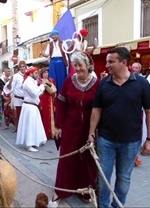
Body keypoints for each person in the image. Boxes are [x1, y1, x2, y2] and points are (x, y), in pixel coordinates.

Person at [88, 47, 150, 208]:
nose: (107, 65)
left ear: (124, 62)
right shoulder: (104, 83)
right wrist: (91, 132)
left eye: (111, 62)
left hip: (131, 141)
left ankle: (117, 205)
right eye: (107, 61)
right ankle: (103, 206)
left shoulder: (141, 83)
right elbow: (96, 109)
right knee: (103, 177)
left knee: (123, 178)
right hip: (106, 140)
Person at [50, 52, 100, 206]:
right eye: (75, 65)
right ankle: (61, 191)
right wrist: (58, 126)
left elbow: (100, 108)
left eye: (80, 65)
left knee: (87, 160)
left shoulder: (98, 84)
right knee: (66, 158)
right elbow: (61, 103)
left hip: (89, 129)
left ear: (88, 65)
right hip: (70, 127)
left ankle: (85, 190)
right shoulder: (68, 82)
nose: (77, 68)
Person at [16, 66, 47, 152]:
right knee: (30, 126)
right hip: (29, 107)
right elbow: (34, 93)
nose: (37, 75)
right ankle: (28, 145)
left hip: (33, 106)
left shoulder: (32, 81)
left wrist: (41, 87)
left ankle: (36, 141)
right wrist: (42, 85)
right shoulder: (28, 82)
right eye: (36, 73)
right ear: (30, 74)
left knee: (35, 125)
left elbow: (38, 93)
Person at [41, 30, 68, 94]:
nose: (53, 36)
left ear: (57, 35)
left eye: (55, 35)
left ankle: (62, 94)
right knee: (52, 78)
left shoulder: (63, 42)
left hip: (61, 61)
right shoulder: (50, 44)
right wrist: (43, 53)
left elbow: (67, 51)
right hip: (53, 62)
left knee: (62, 78)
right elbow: (47, 55)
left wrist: (72, 45)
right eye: (52, 35)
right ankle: (53, 92)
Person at [3, 61, 27, 133]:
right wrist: (10, 81)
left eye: (23, 66)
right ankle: (19, 130)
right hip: (18, 99)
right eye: (20, 67)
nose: (22, 68)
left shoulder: (28, 75)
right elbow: (9, 88)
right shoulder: (16, 76)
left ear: (25, 67)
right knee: (18, 116)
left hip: (27, 100)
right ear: (19, 68)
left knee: (26, 116)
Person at [38, 67, 57, 139]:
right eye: (44, 73)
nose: (46, 74)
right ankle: (44, 134)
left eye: (47, 72)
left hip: (50, 100)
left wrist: (46, 83)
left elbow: (53, 90)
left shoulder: (50, 80)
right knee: (44, 116)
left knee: (50, 116)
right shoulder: (39, 81)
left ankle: (50, 133)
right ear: (42, 74)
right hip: (43, 100)